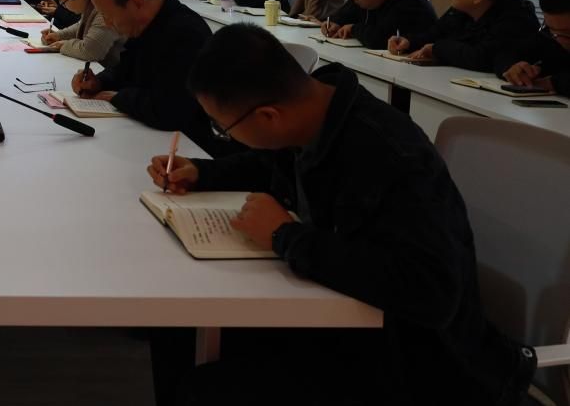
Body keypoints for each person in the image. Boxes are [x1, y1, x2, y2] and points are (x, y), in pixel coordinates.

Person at [147, 24, 534, 405]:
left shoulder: (387, 155)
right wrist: (203, 173)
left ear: (268, 116)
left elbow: (432, 293)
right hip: (345, 315)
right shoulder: (314, 112)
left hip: (414, 362)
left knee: (205, 387)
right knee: (177, 331)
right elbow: (269, 163)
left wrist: (285, 236)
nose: (226, 136)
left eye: (224, 128)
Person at [72, 0, 234, 157]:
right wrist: (99, 82)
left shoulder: (186, 34)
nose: (106, 23)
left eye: (108, 15)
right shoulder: (146, 23)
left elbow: (170, 110)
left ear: (137, 3)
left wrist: (116, 97)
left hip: (187, 149)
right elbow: (125, 69)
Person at [388, 0, 539, 72]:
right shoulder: (461, 10)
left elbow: (481, 58)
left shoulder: (515, 20)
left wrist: (437, 49)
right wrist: (409, 42)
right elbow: (435, 33)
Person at [39, 0, 124, 69]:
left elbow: (90, 51)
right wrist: (58, 36)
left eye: (63, 1)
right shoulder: (91, 6)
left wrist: (63, 45)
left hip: (110, 73)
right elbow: (80, 26)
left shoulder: (104, 10)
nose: (62, 5)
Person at [501, 0, 570, 95]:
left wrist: (554, 82)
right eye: (553, 29)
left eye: (567, 34)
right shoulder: (549, 35)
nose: (560, 41)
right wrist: (514, 69)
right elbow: (506, 53)